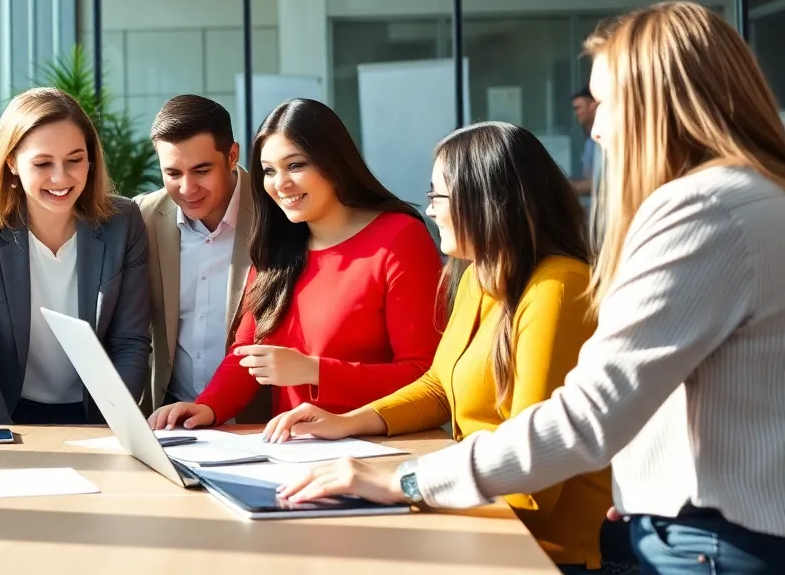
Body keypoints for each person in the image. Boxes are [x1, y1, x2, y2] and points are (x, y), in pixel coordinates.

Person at [277, 2, 785, 574]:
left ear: (656, 105)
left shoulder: (701, 210)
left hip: (708, 541)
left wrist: (408, 478)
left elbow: (586, 418)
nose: (596, 128)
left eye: (606, 103)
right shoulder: (755, 198)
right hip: (710, 528)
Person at [265, 121, 630, 573]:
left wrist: (398, 482)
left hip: (544, 552)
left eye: (438, 196)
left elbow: (535, 471)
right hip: (482, 521)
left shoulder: (557, 289)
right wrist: (345, 423)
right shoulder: (482, 273)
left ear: (484, 199)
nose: (431, 210)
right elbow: (439, 387)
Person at [148, 98, 442, 431]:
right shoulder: (277, 243)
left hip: (378, 450)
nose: (280, 184)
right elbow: (249, 353)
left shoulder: (400, 238)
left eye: (296, 165)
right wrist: (208, 408)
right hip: (291, 453)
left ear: (333, 161)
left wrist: (313, 371)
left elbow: (426, 377)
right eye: (269, 171)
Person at [0, 88, 151, 426]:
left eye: (75, 160)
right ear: (12, 162)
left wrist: (111, 428)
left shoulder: (123, 222)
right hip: (4, 414)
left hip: (97, 414)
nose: (61, 177)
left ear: (90, 158)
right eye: (43, 163)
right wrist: (3, 435)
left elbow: (130, 343)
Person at [135, 95, 269, 423]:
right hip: (170, 420)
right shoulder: (143, 218)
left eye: (201, 170)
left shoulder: (275, 213)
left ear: (232, 155)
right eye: (173, 173)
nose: (187, 187)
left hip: (256, 423)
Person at [572, 88, 600, 199]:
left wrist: (566, 188)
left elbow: (600, 182)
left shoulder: (604, 141)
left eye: (578, 108)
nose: (576, 113)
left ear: (592, 106)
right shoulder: (589, 142)